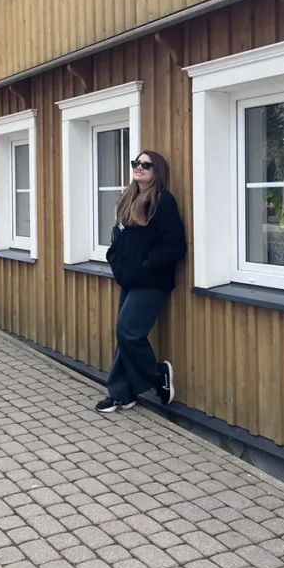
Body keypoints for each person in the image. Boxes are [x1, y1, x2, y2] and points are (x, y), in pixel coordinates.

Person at [95, 150, 186, 414]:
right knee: (123, 336)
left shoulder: (163, 201)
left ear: (157, 171)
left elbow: (175, 245)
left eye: (146, 165)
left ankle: (159, 376)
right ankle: (121, 394)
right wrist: (115, 259)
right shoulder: (128, 199)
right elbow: (119, 239)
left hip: (151, 282)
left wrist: (146, 265)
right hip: (130, 279)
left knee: (128, 332)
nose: (139, 167)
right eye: (136, 163)